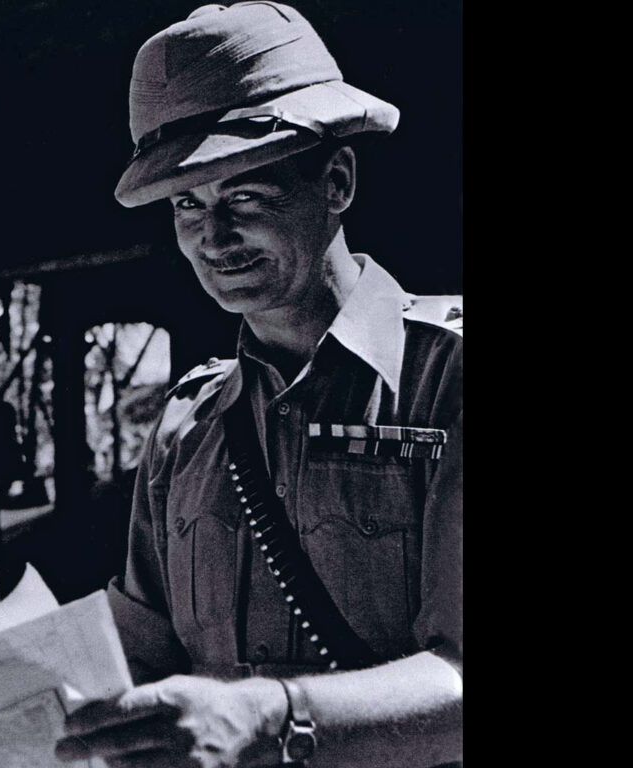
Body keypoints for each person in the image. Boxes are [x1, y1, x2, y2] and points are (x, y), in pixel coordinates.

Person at [56, 4, 461, 766]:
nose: (213, 237)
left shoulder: (445, 385)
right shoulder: (190, 425)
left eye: (244, 197)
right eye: (187, 205)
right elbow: (137, 655)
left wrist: (271, 717)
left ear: (335, 181)